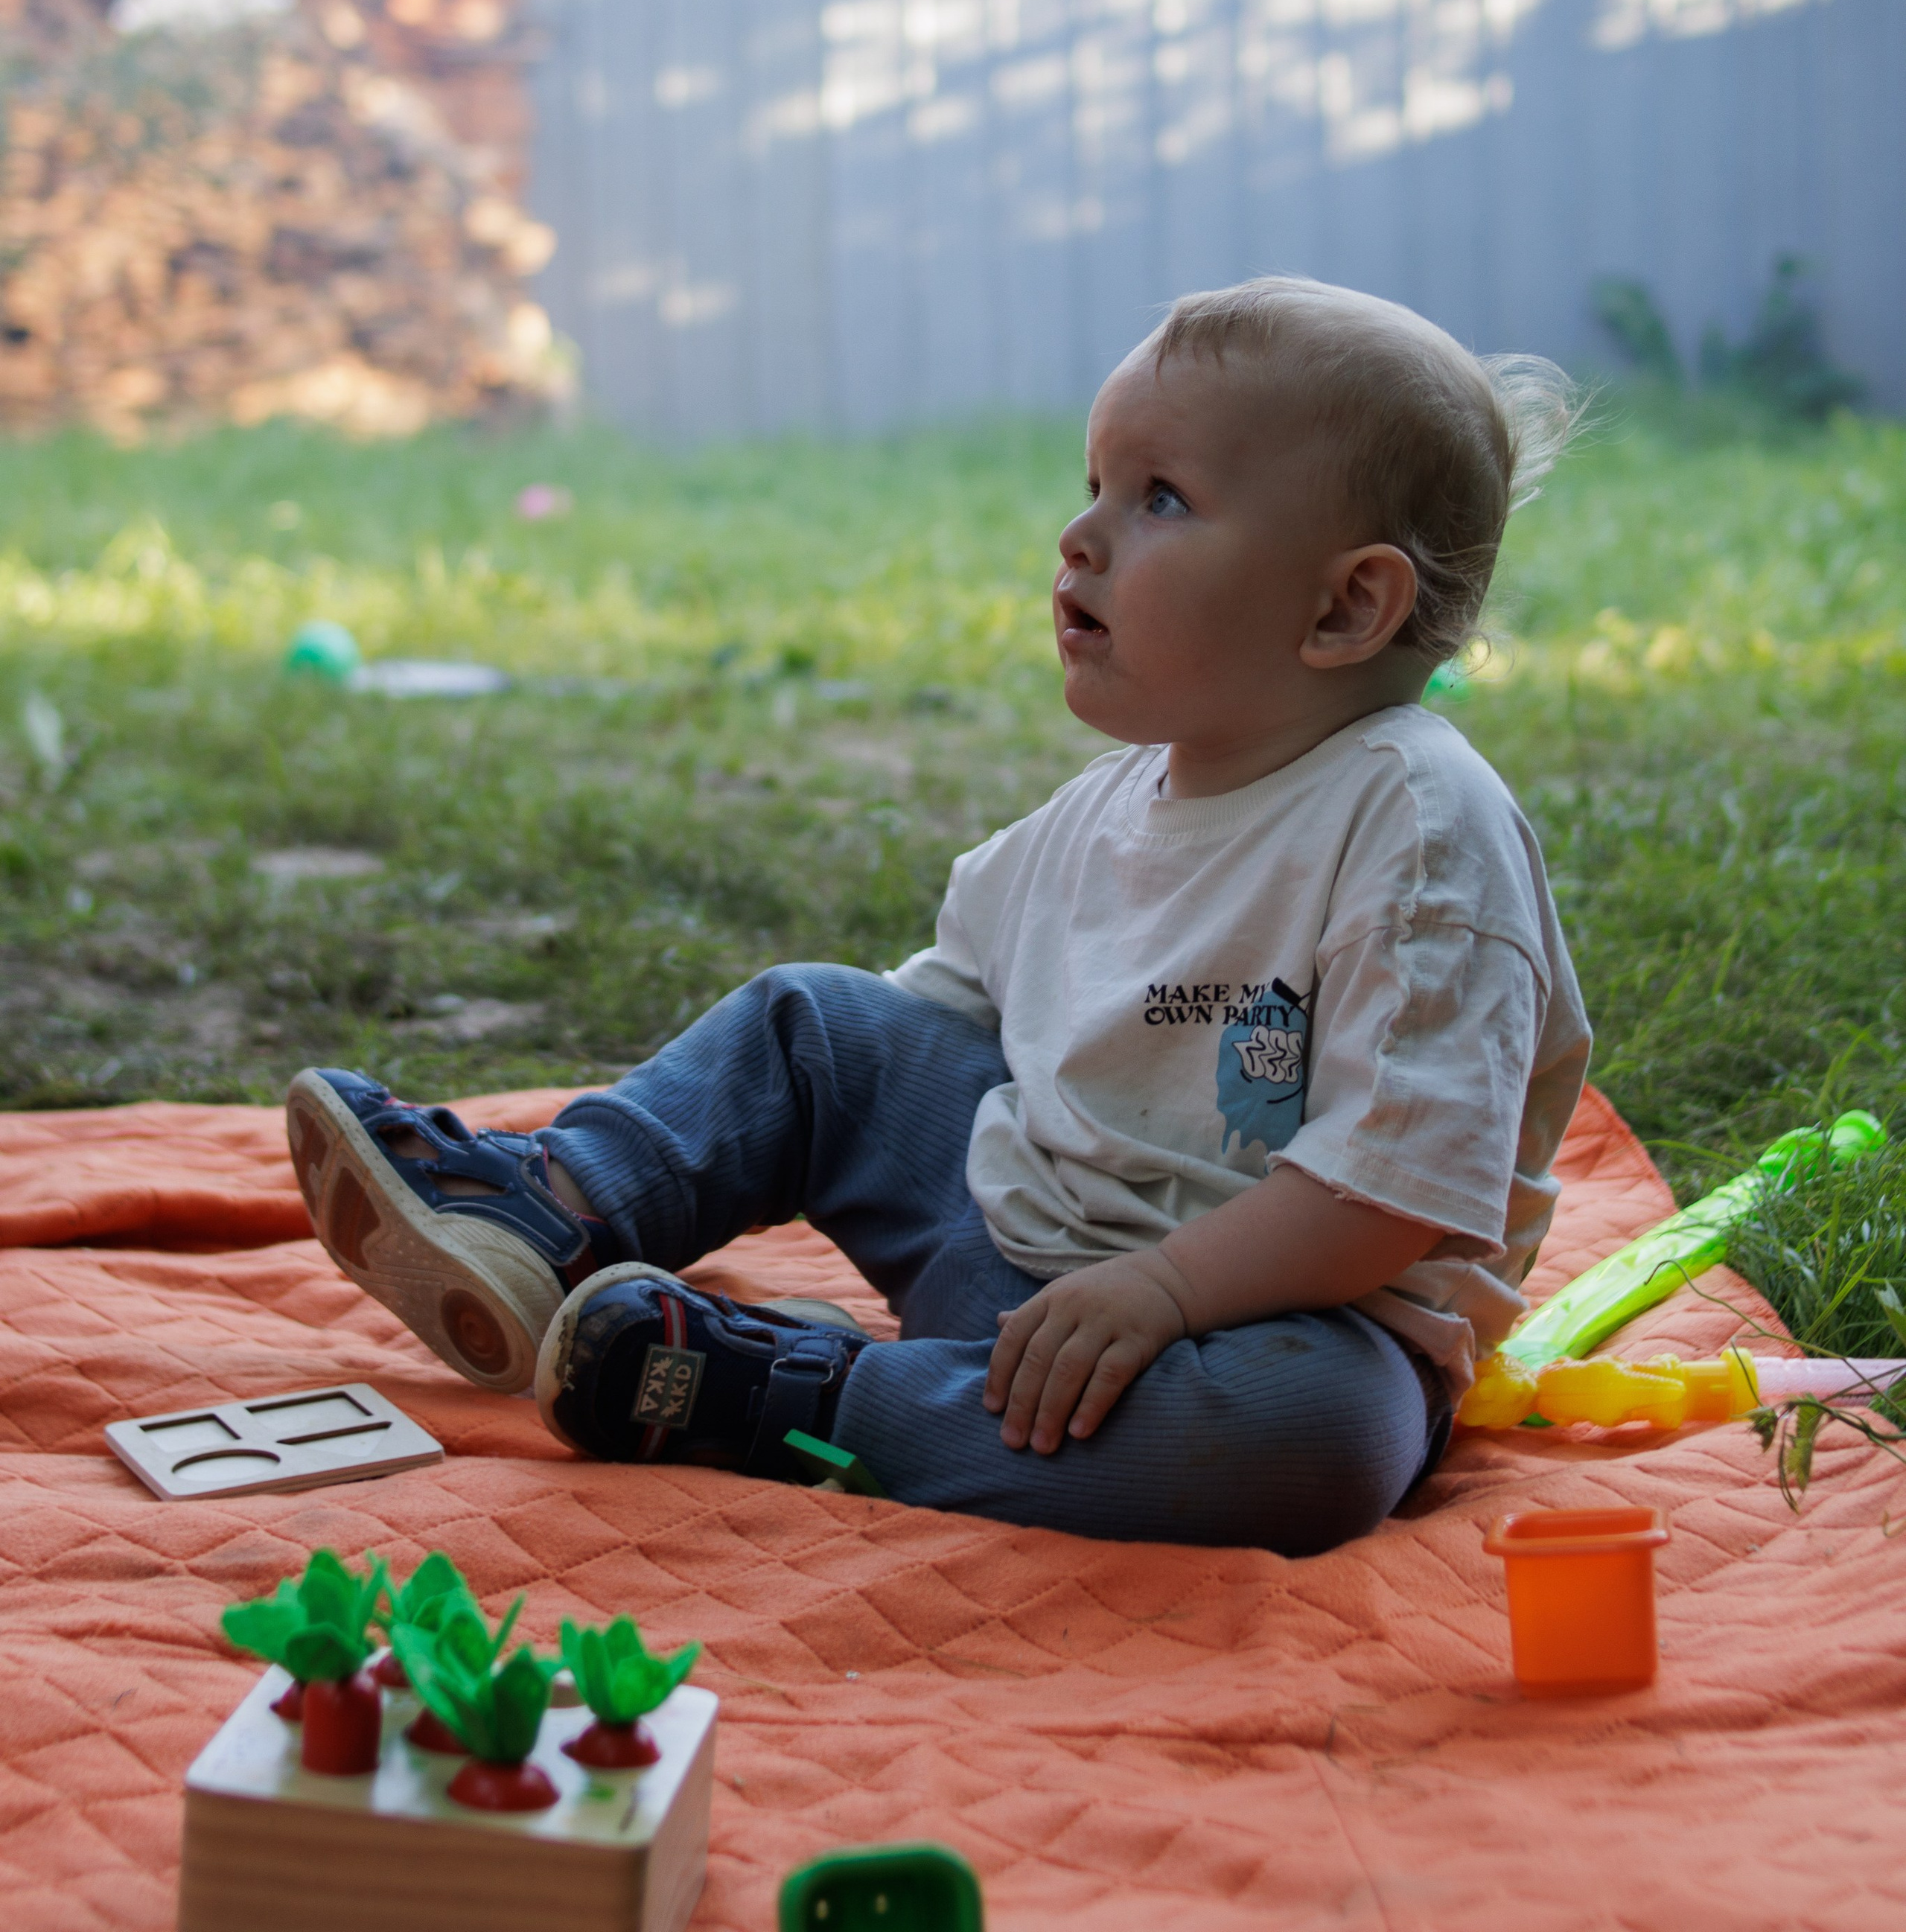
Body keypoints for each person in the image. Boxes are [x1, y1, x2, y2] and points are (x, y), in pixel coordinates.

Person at [287, 276, 1591, 1554]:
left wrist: (1163, 1289)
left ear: (1344, 606)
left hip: (1265, 1328)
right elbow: (932, 1030)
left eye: (1161, 500)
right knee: (818, 1025)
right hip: (1017, 1259)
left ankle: (786, 1397)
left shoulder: (1421, 832)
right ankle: (548, 1214)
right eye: (1093, 486)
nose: (1080, 539)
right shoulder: (1106, 807)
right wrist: (838, 1103)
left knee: (1323, 1444)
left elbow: (1394, 1195)